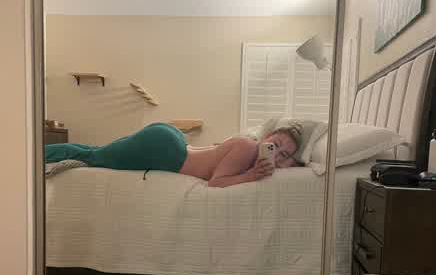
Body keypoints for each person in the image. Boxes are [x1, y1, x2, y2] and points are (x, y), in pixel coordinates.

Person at [45, 121, 302, 188]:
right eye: (276, 144)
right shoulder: (248, 148)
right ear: (267, 137)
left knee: (93, 151)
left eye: (285, 155)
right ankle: (32, 156)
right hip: (166, 151)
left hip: (171, 140)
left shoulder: (247, 145)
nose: (278, 154)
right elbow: (216, 183)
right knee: (92, 156)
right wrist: (252, 176)